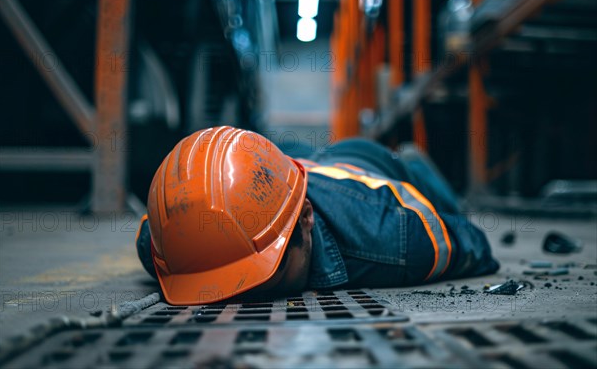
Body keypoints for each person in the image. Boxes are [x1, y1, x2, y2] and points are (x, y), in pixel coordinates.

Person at [135, 126, 499, 305]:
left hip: (367, 161)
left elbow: (475, 243)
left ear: (305, 218)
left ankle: (410, 159)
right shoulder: (172, 240)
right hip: (294, 158)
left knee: (446, 203)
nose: (239, 294)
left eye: (266, 275)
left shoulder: (398, 239)